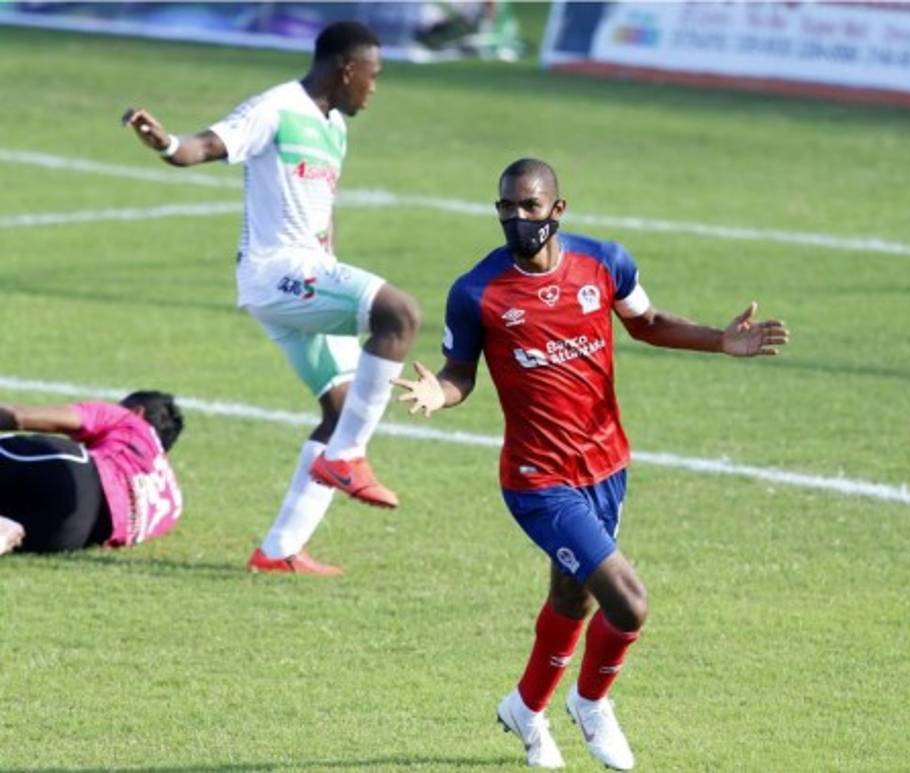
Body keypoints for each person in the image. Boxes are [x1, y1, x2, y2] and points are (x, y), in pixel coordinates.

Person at [393, 159, 790, 770]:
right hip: (538, 481)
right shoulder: (477, 292)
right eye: (506, 208)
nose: (517, 219)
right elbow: (459, 375)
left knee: (573, 599)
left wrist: (720, 339)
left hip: (606, 466)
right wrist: (437, 394)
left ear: (558, 209)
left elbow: (648, 323)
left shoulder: (604, 262)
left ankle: (525, 710)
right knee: (627, 601)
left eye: (529, 207)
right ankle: (591, 703)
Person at [121, 21, 422, 576]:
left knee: (341, 408)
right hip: (276, 273)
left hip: (311, 272)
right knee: (400, 313)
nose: (374, 90)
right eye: (372, 77)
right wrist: (164, 142)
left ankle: (279, 551)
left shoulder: (335, 128)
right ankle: (348, 459)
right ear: (348, 69)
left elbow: (319, 216)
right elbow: (202, 147)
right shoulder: (277, 108)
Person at [0, 393, 184, 556]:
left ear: (137, 412)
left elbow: (18, 417)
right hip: (70, 535)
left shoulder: (130, 421)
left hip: (74, 476)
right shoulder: (173, 501)